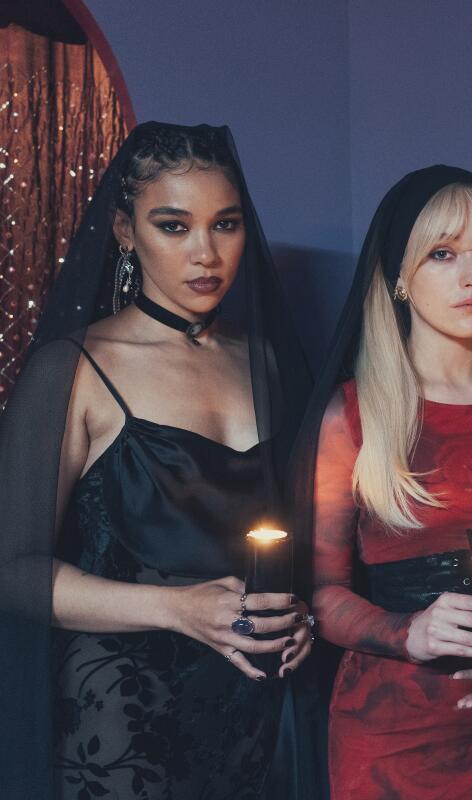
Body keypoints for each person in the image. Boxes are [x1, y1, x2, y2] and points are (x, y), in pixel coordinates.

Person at [0, 122, 314, 798]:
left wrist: (301, 621)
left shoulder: (265, 361)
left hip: (253, 713)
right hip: (120, 721)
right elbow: (13, 570)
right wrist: (176, 608)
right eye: (174, 226)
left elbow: (297, 539)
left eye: (225, 224)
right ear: (125, 230)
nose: (206, 253)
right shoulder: (74, 368)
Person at [295, 166, 472, 799]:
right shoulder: (354, 414)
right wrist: (408, 631)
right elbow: (322, 594)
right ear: (400, 275)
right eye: (442, 254)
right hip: (386, 739)